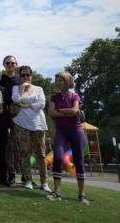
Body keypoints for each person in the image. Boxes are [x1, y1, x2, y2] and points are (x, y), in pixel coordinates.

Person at [46, 71, 89, 205]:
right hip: (61, 131)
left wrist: (60, 111)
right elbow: (50, 112)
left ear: (68, 81)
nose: (58, 82)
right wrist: (67, 111)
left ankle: (81, 194)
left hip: (76, 130)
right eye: (57, 80)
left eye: (61, 80)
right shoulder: (54, 97)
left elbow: (75, 111)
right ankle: (57, 191)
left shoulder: (74, 96)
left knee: (79, 160)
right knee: (58, 157)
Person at [11, 65, 51, 192]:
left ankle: (44, 182)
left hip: (38, 124)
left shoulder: (39, 89)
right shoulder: (16, 88)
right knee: (24, 153)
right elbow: (15, 99)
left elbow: (41, 104)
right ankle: (28, 180)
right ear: (19, 76)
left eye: (28, 74)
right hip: (21, 124)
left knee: (40, 154)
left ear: (31, 76)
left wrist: (24, 104)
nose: (25, 77)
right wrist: (23, 93)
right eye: (22, 75)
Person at [0, 55, 21, 186]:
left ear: (16, 64)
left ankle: (25, 174)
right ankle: (10, 173)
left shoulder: (20, 80)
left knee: (20, 146)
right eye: (7, 63)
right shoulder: (0, 80)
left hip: (19, 115)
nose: (10, 65)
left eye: (12, 63)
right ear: (4, 65)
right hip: (3, 115)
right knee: (7, 146)